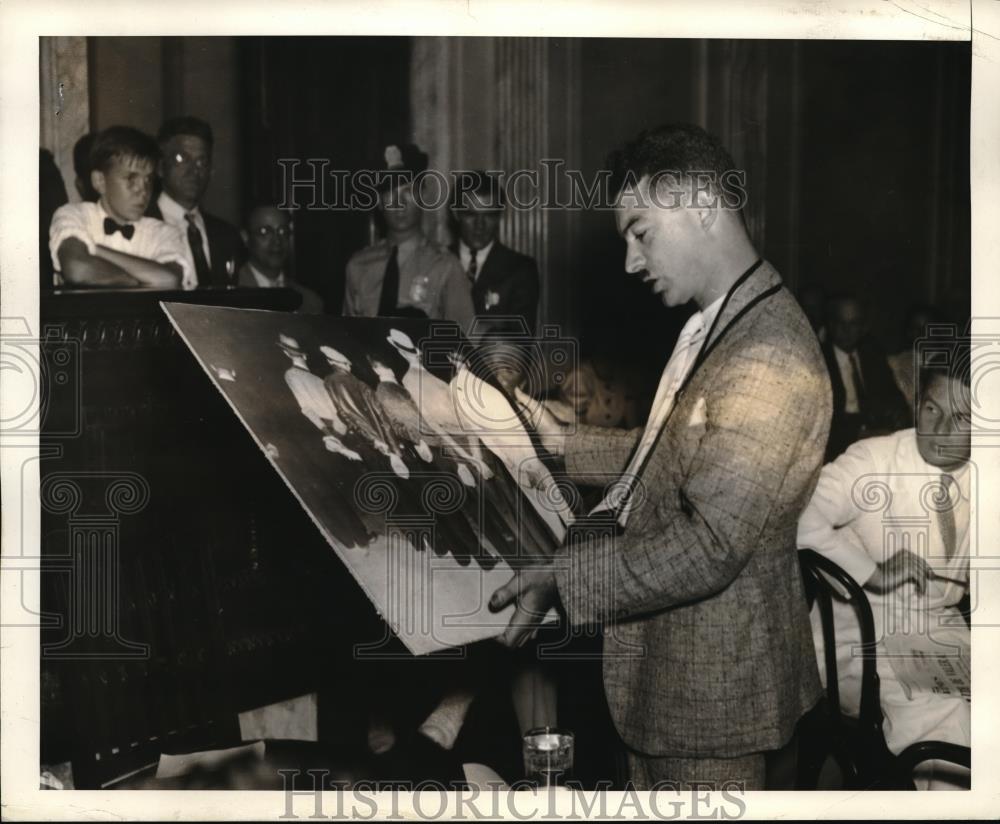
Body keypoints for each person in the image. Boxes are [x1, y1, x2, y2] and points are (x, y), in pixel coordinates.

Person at [491, 123, 831, 790]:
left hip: (710, 700)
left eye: (640, 232)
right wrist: (560, 441)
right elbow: (676, 458)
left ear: (701, 203)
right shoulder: (725, 319)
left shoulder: (766, 355)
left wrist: (563, 578)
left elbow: (709, 544)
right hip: (676, 679)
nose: (630, 262)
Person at [797, 348, 971, 789]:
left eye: (962, 418)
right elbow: (798, 515)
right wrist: (872, 571)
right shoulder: (873, 460)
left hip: (943, 631)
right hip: (864, 639)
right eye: (931, 409)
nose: (940, 431)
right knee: (947, 717)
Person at [342, 144, 474, 328]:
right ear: (379, 201)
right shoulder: (358, 266)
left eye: (408, 191)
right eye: (390, 193)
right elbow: (347, 337)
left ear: (422, 195)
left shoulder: (445, 266)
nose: (399, 202)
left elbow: (465, 338)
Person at [48, 126, 194, 289]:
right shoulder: (73, 215)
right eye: (131, 179)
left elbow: (170, 280)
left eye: (148, 180)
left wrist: (96, 250)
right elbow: (78, 269)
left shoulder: (164, 232)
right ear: (99, 181)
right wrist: (138, 281)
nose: (143, 191)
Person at [148, 116, 244, 288]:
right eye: (181, 159)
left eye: (202, 161)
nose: (193, 170)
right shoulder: (140, 225)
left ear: (211, 170)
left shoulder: (227, 236)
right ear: (160, 167)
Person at [822, 293, 909, 461]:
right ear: (830, 324)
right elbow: (823, 422)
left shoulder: (872, 355)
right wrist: (859, 434)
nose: (847, 330)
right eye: (841, 323)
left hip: (876, 437)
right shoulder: (820, 360)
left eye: (854, 323)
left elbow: (895, 398)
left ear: (862, 326)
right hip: (837, 444)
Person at [450, 170, 540, 335]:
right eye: (471, 215)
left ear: (499, 217)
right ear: (456, 213)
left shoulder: (521, 269)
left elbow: (520, 340)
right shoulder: (437, 260)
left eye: (489, 216)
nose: (480, 225)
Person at [238, 205, 324, 313]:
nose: (277, 241)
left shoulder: (310, 303)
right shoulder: (231, 294)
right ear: (245, 237)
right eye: (265, 232)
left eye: (283, 231)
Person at [887, 303, 943, 410]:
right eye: (916, 328)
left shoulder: (950, 364)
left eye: (927, 327)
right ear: (909, 332)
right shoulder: (895, 363)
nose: (921, 333)